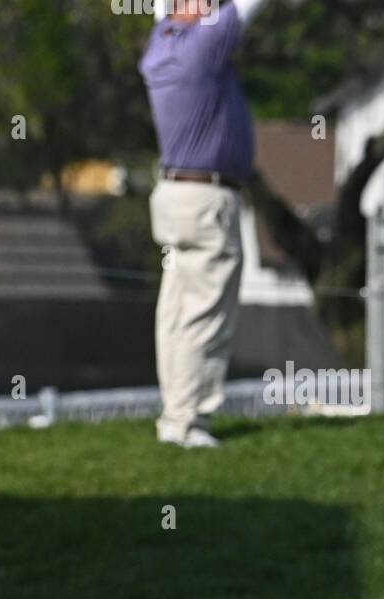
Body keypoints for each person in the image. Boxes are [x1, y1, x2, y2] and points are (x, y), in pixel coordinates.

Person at [139, 0, 263, 449]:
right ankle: (190, 423)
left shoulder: (159, 47)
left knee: (175, 313)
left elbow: (163, 11)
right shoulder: (204, 46)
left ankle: (175, 418)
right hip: (207, 197)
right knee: (204, 315)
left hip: (173, 195)